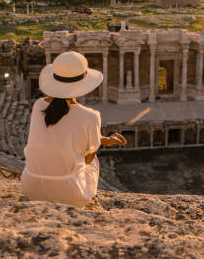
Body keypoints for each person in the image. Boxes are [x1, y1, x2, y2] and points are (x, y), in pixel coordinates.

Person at [21, 51, 127, 207]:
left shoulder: (38, 106)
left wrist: (104, 140)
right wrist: (97, 143)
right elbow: (87, 159)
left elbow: (58, 135)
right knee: (93, 161)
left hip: (31, 187)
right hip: (68, 194)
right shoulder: (90, 116)